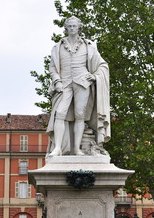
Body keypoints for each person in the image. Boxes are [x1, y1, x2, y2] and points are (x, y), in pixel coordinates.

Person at [46, 16, 110, 157]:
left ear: (79, 27)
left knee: (80, 115)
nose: (72, 28)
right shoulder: (58, 47)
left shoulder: (89, 46)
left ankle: (76, 149)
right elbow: (52, 68)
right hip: (64, 84)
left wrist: (95, 76)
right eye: (70, 26)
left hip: (83, 82)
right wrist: (57, 81)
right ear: (66, 28)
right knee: (60, 114)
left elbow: (102, 65)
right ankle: (58, 148)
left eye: (75, 26)